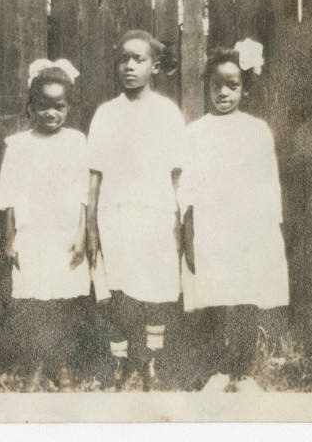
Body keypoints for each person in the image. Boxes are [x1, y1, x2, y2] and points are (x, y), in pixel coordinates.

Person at [180, 39, 289, 392]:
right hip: (212, 226)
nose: (223, 93)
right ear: (207, 87)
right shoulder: (196, 132)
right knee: (213, 298)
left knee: (244, 297)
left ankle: (242, 371)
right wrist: (190, 233)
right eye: (217, 85)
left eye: (233, 85)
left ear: (245, 88)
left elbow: (268, 183)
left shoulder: (256, 130)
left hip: (248, 227)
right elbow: (189, 189)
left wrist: (269, 230)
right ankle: (217, 371)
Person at [86, 30, 184, 390]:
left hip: (156, 214)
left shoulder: (168, 113)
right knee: (118, 293)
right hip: (115, 215)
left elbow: (177, 174)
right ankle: (122, 361)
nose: (129, 66)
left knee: (155, 291)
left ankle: (150, 362)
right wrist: (92, 226)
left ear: (154, 66)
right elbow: (94, 175)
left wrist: (179, 220)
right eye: (123, 59)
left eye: (138, 59)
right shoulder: (106, 114)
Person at [0, 58, 91, 387]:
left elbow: (83, 194)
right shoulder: (18, 145)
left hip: (65, 235)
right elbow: (8, 195)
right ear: (30, 107)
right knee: (34, 303)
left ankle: (61, 365)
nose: (52, 113)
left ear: (68, 108)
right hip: (32, 234)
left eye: (59, 106)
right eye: (44, 106)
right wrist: (10, 239)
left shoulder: (76, 142)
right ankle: (36, 364)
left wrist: (81, 235)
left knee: (64, 303)